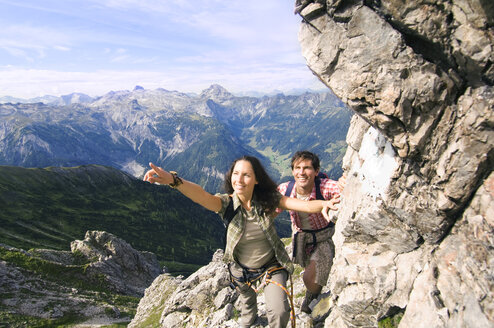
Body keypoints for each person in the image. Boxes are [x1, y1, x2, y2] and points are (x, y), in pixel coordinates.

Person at [143, 155, 340, 328]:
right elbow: (202, 196)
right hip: (240, 270)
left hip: (272, 266)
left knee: (279, 313)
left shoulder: (268, 200)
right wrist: (174, 181)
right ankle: (249, 316)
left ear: (256, 180)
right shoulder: (226, 204)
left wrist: (324, 204)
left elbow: (297, 204)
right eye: (236, 173)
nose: (239, 179)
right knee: (246, 318)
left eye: (246, 175)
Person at [277, 151, 345, 314]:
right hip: (301, 237)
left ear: (316, 171)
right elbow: (270, 208)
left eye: (307, 168)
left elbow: (342, 189)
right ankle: (314, 292)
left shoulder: (324, 186)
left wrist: (345, 182)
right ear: (292, 171)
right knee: (307, 268)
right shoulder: (285, 189)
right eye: (297, 168)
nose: (301, 172)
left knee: (310, 278)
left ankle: (312, 296)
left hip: (324, 238)